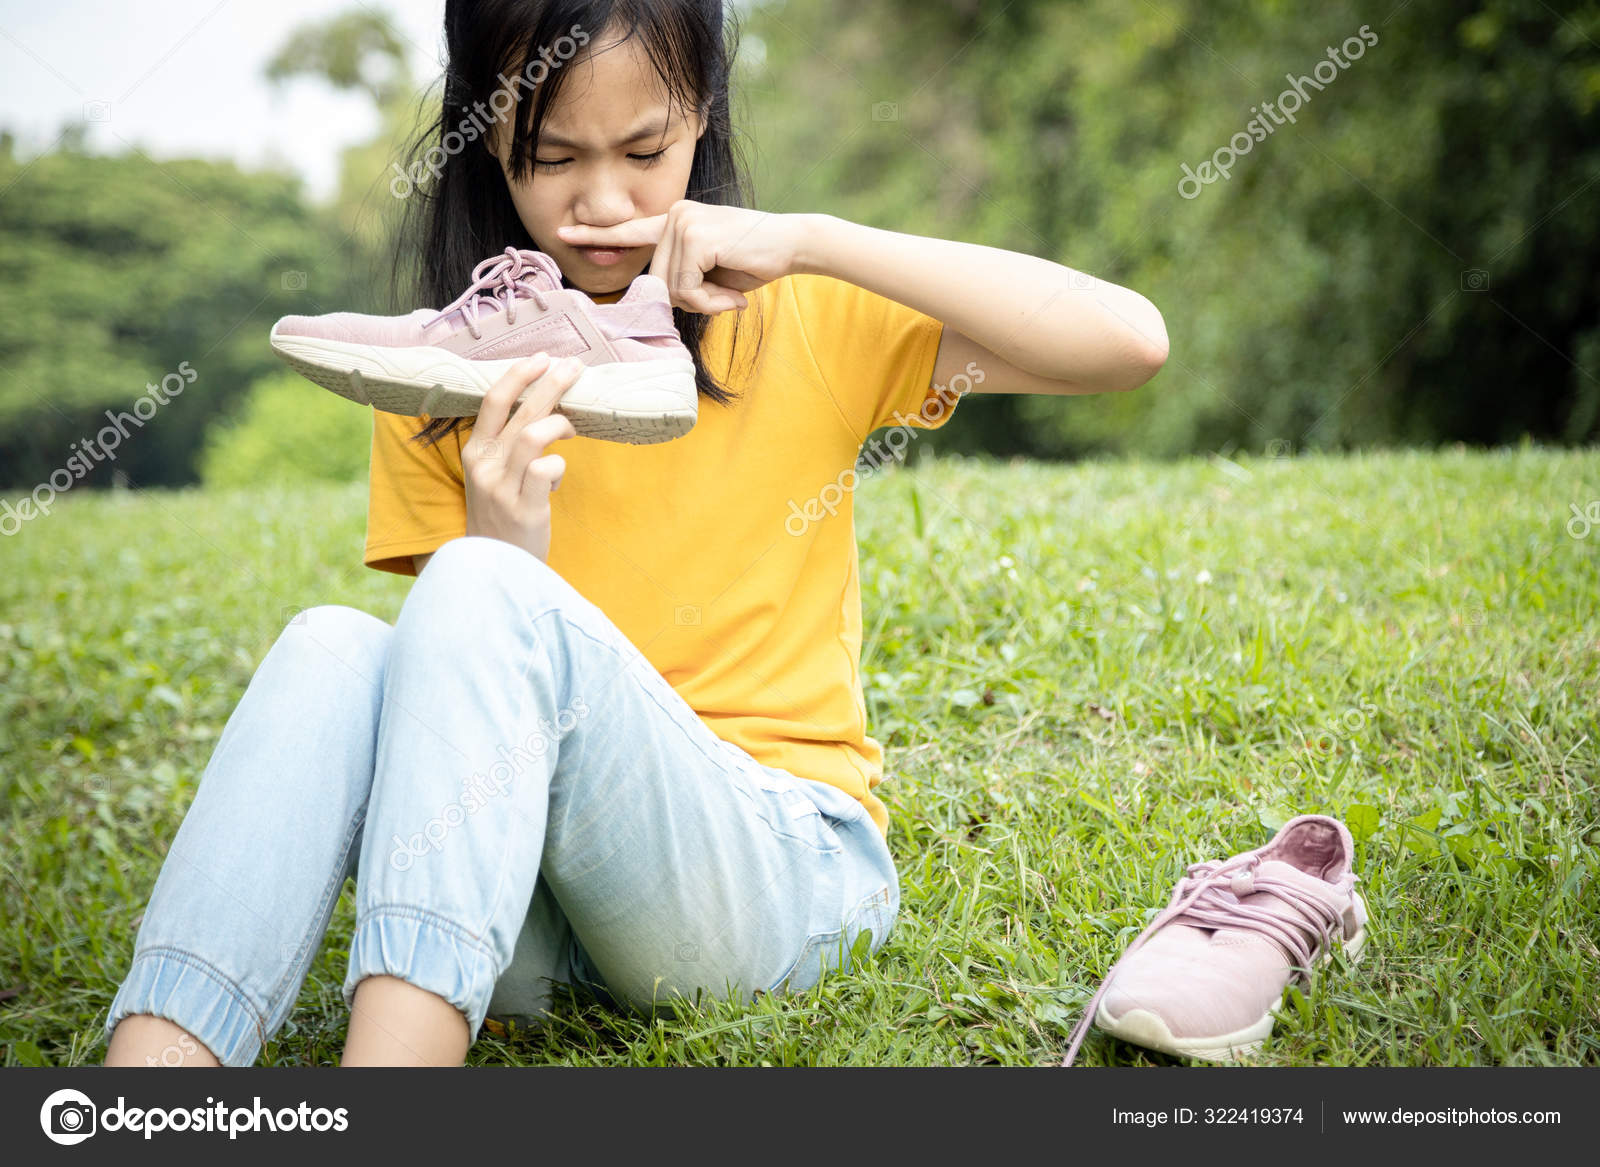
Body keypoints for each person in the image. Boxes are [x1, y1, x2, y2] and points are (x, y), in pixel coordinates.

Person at [103, 0, 1167, 1068]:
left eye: (645, 151)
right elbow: (468, 735)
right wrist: (502, 540)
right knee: (334, 646)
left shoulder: (797, 308)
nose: (600, 205)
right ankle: (150, 1095)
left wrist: (808, 241)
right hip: (546, 913)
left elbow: (1125, 341)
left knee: (476, 589)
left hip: (772, 869)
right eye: (550, 157)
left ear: (702, 116)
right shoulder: (445, 371)